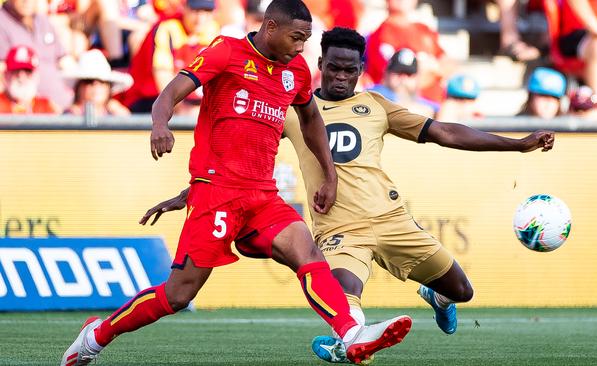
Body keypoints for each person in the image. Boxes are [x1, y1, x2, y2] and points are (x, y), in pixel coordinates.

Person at [140, 27, 556, 364]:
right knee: (342, 295)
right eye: (334, 68)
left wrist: (517, 144)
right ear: (319, 65)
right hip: (340, 231)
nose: (341, 76)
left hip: (393, 221)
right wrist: (193, 192)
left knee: (462, 292)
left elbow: (445, 132)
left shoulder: (377, 105)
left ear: (360, 70)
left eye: (350, 70)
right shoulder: (289, 109)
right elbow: (241, 158)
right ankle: (346, 344)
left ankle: (435, 294)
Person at [60, 3, 411, 366]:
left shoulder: (298, 71)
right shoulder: (225, 52)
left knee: (306, 251)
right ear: (270, 27)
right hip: (217, 193)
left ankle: (351, 333)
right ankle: (95, 336)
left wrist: (330, 172)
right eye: (296, 37)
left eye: (306, 39)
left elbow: (311, 121)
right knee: (179, 294)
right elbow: (170, 92)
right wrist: (160, 125)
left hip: (262, 194)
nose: (301, 47)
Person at [117, 0, 220, 113]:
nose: (200, 18)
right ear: (184, 8)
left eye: (207, 11)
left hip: (191, 101)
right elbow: (164, 83)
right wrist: (184, 111)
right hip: (149, 97)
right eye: (195, 11)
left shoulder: (214, 30)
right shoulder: (167, 28)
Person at [365, 0, 454, 105]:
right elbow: (396, 79)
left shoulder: (424, 30)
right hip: (399, 105)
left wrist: (432, 69)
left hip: (435, 104)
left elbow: (449, 66)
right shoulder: (378, 35)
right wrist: (431, 69)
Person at [0, 0, 75, 108]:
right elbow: (2, 72)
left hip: (65, 109)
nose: (26, 1)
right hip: (30, 113)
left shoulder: (42, 20)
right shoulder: (2, 22)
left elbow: (65, 61)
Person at [520, 67, 597, 130]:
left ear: (559, 101)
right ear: (531, 97)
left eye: (553, 97)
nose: (548, 102)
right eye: (542, 95)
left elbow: (589, 117)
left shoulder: (566, 119)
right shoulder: (516, 124)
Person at [367, 48, 438, 117]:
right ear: (386, 73)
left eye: (408, 74)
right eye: (398, 72)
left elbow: (435, 109)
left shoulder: (423, 103)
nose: (403, 78)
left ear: (417, 78)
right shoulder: (371, 94)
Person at [63, 49, 133, 116]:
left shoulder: (115, 112)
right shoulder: (69, 115)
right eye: (89, 81)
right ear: (78, 87)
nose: (96, 85)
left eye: (102, 81)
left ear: (109, 87)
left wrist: (119, 112)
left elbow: (131, 124)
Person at [0, 45, 58, 114]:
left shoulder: (46, 106)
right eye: (16, 71)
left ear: (36, 76)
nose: (21, 77)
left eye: (28, 71)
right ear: (6, 75)